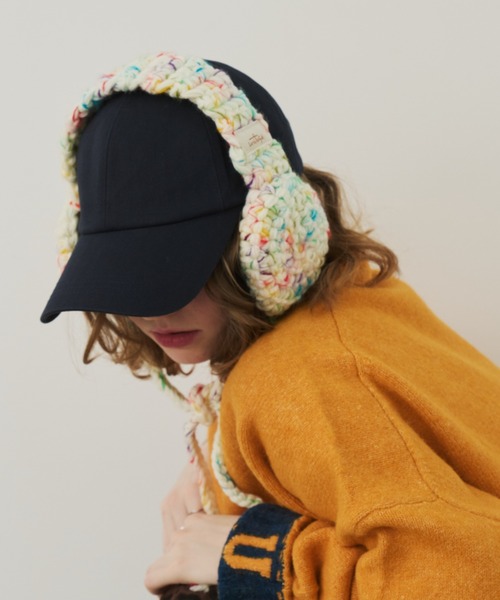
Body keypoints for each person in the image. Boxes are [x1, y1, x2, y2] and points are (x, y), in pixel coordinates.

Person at [41, 51, 500, 599]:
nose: (150, 311)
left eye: (177, 268)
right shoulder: (358, 300)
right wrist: (221, 458)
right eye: (123, 276)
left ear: (275, 236)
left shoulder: (290, 379)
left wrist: (262, 555)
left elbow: (477, 575)